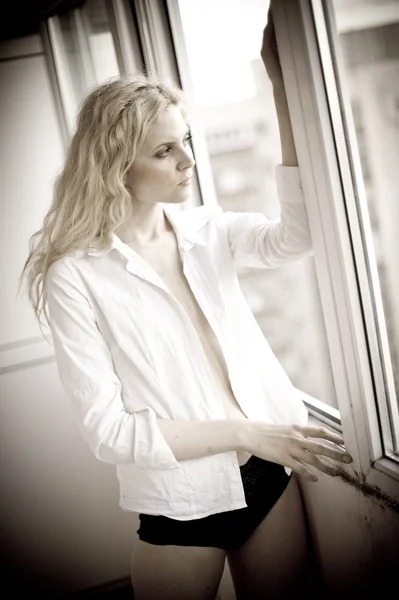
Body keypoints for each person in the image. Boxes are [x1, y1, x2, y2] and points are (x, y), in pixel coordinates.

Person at [21, 5, 353, 600]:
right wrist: (246, 432)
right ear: (117, 166)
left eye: (188, 142)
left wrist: (281, 84)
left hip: (269, 482)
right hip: (180, 507)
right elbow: (108, 432)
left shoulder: (207, 230)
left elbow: (296, 237)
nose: (189, 162)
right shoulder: (75, 275)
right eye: (165, 151)